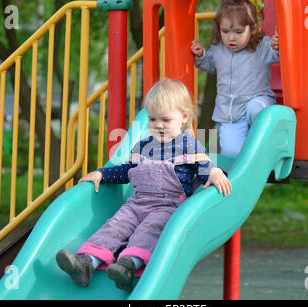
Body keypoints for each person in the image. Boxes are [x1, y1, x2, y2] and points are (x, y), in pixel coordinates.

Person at [56, 79, 232, 291]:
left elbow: (203, 167)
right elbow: (126, 171)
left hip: (166, 207)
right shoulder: (143, 146)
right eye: (153, 119)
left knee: (149, 230)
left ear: (184, 117)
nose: (158, 125)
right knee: (115, 225)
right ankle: (86, 264)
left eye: (166, 120)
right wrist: (101, 174)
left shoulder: (190, 145)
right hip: (136, 204)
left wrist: (214, 171)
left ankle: (128, 267)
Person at [191, 0, 279, 156]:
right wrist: (200, 55)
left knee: (255, 108)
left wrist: (276, 45)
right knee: (231, 153)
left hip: (257, 102)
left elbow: (275, 54)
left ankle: (263, 141)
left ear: (252, 29)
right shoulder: (218, 48)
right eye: (225, 31)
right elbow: (211, 65)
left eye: (238, 32)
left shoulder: (261, 46)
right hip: (230, 113)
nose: (231, 38)